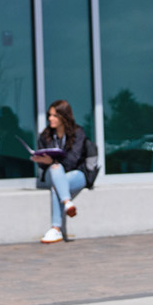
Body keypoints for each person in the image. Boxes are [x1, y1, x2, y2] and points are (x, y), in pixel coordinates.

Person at [32, 99, 95, 244]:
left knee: (57, 184)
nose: (50, 119)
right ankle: (67, 204)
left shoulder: (78, 133)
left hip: (76, 174)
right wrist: (44, 162)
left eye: (54, 115)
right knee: (55, 169)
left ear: (63, 116)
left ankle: (56, 229)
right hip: (51, 174)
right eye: (49, 115)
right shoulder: (45, 135)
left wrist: (53, 161)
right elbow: (44, 165)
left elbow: (74, 160)